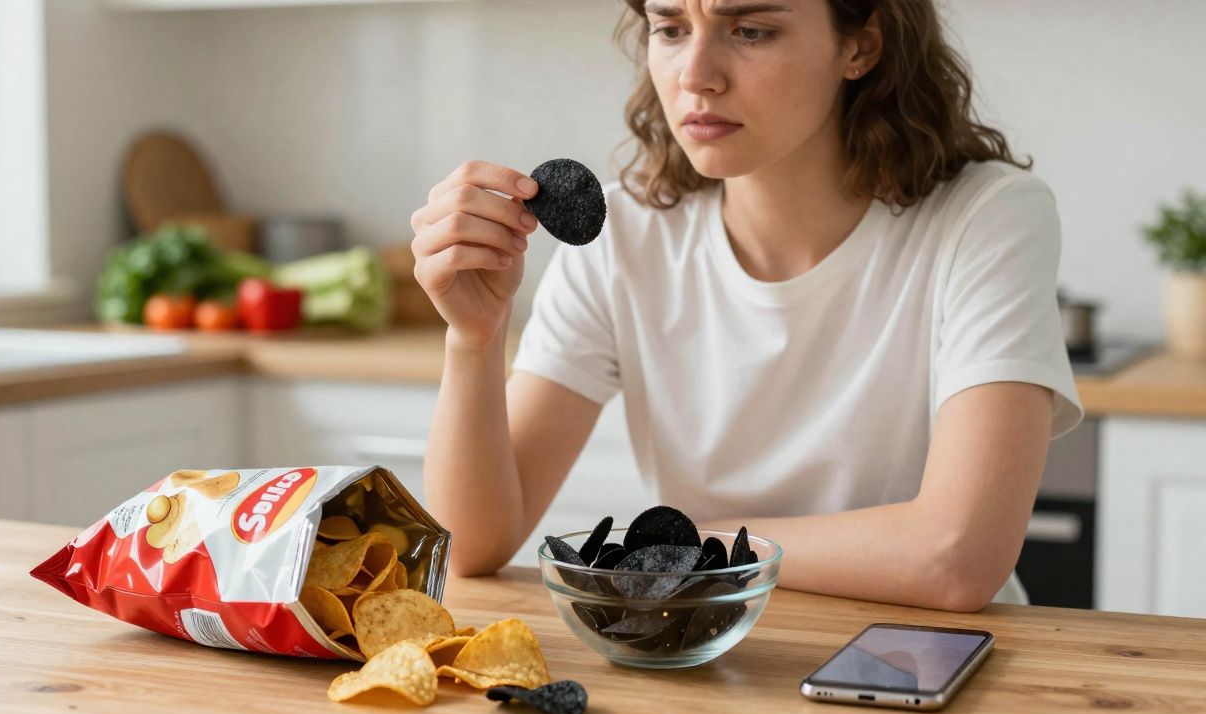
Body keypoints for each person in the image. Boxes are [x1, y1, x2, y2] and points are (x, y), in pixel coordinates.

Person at [407, 0, 1082, 612]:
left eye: (751, 30)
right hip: (709, 651)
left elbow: (956, 558)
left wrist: (686, 548)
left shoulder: (987, 216)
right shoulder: (624, 236)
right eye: (671, 28)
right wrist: (475, 338)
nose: (696, 75)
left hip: (933, 655)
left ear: (861, 45)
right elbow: (470, 546)